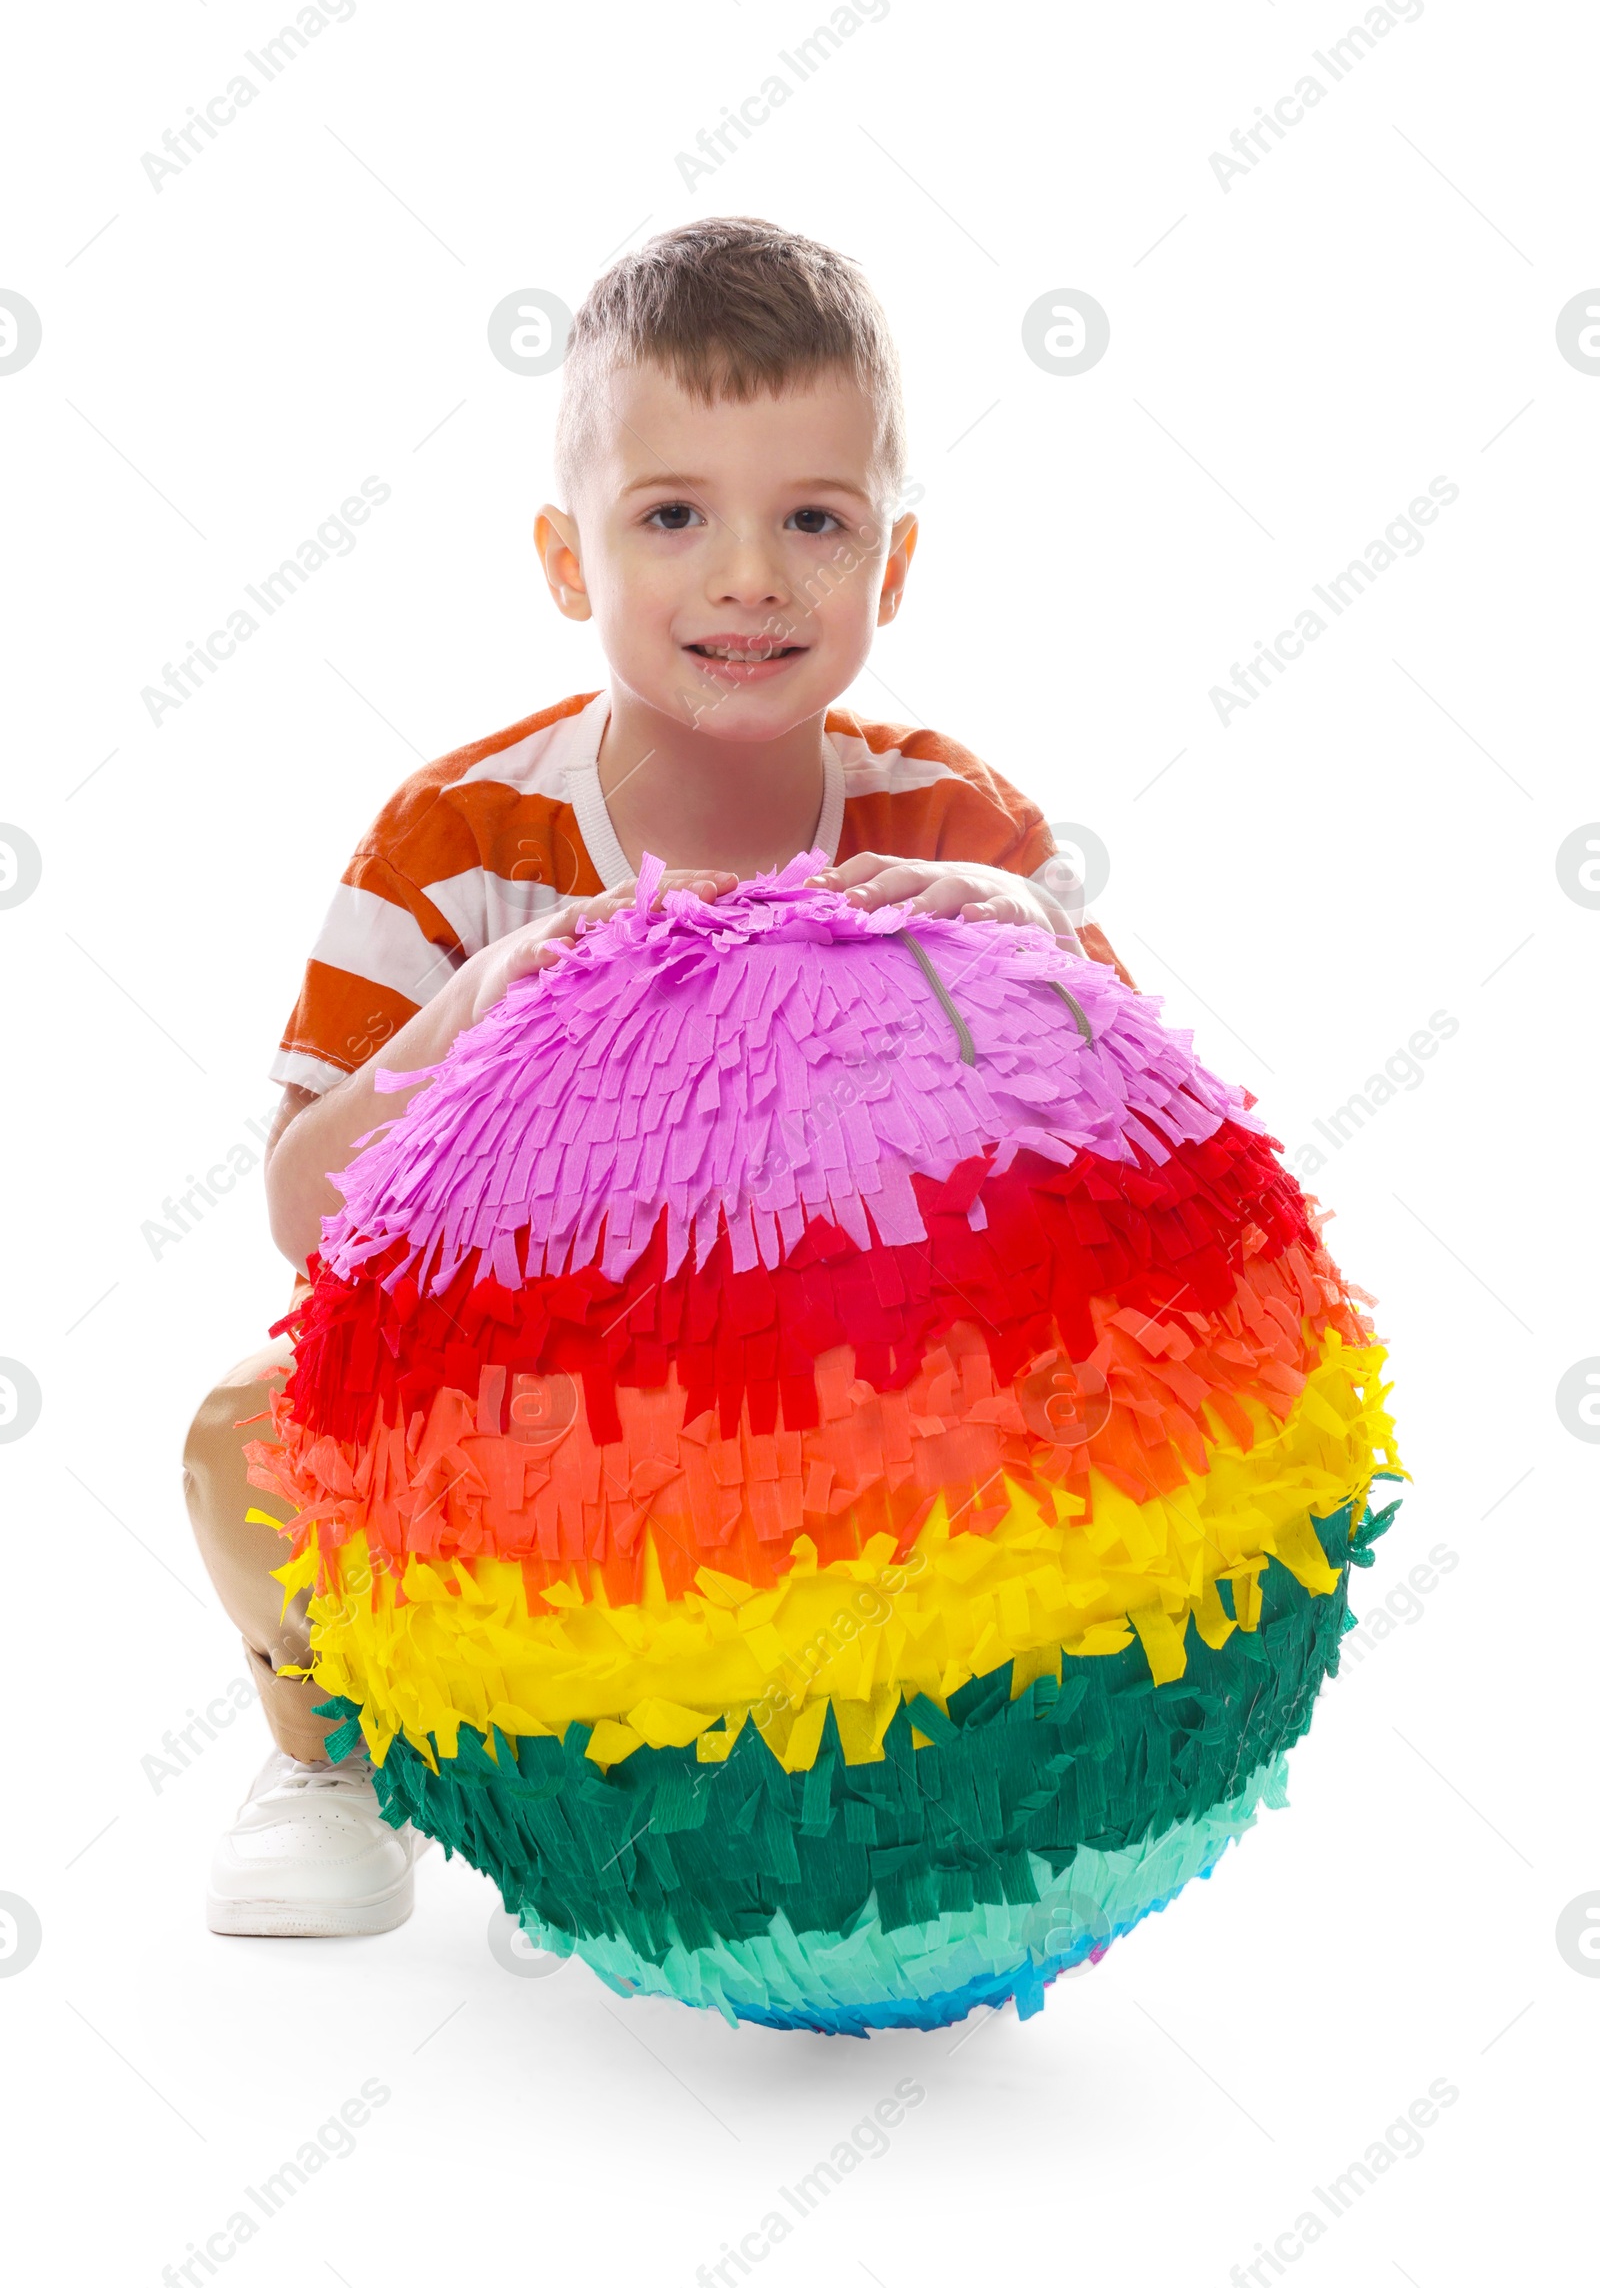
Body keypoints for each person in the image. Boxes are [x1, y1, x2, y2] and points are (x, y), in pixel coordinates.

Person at [184, 215, 1131, 1936]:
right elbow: (300, 1218)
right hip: (529, 1407)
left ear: (893, 566)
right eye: (674, 515)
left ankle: (856, 1786)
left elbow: (1140, 1177)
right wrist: (464, 1019)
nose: (750, 576)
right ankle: (337, 1759)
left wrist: (1022, 935)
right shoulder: (460, 837)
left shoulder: (948, 821)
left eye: (815, 521)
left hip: (849, 1417)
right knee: (242, 1439)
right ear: (568, 558)